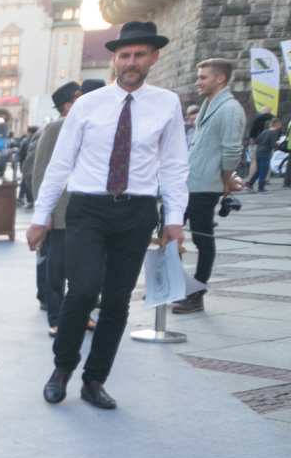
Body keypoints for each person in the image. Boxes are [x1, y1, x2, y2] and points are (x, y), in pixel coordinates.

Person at [28, 21, 189, 410]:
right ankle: (62, 369)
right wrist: (41, 215)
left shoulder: (166, 103)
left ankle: (95, 380)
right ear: (114, 60)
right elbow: (60, 164)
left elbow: (174, 164)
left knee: (117, 300)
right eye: (124, 55)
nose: (131, 62)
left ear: (154, 58)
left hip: (137, 211)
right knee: (82, 291)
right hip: (89, 208)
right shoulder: (87, 105)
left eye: (139, 55)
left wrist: (175, 219)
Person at [172, 58, 246, 314]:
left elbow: (232, 149)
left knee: (203, 239)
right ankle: (179, 285)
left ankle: (196, 294)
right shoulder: (209, 104)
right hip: (189, 183)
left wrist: (225, 180)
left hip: (204, 186)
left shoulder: (230, 108)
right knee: (170, 234)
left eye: (203, 77)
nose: (198, 81)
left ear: (220, 78)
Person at [29, 81, 82, 334]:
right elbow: (40, 172)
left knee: (84, 269)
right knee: (55, 267)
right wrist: (44, 212)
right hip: (60, 211)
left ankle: (82, 314)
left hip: (88, 212)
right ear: (69, 105)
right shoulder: (54, 128)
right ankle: (55, 316)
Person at [247, 117, 282, 192]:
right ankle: (261, 187)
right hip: (265, 153)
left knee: (259, 170)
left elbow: (256, 141)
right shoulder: (274, 133)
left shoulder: (264, 132)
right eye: (280, 125)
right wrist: (277, 145)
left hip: (258, 152)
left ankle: (250, 184)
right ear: (277, 125)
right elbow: (273, 145)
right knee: (264, 171)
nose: (280, 127)